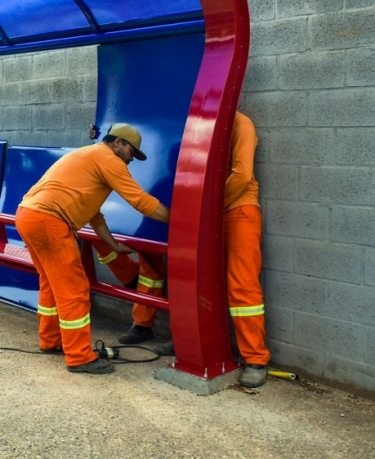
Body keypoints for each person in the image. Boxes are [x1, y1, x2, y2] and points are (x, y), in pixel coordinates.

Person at [114, 112, 270, 387]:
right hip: (201, 212)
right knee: (194, 282)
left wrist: (206, 209)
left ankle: (256, 358)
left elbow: (242, 176)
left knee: (242, 284)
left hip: (237, 210)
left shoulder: (239, 123)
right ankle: (188, 344)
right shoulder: (194, 125)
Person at [15, 123, 170, 375]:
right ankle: (79, 356)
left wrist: (111, 245)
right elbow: (141, 201)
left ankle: (51, 340)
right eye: (132, 151)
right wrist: (181, 220)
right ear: (118, 142)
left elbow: (93, 213)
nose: (132, 158)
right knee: (74, 290)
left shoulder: (88, 156)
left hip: (28, 215)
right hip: (50, 221)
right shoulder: (107, 159)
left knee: (51, 283)